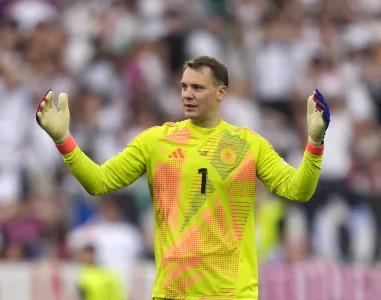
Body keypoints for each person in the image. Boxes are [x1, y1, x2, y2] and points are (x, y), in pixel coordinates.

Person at [36, 55, 330, 300]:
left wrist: (314, 143)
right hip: (173, 293)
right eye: (184, 86)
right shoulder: (155, 141)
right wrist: (64, 139)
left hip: (233, 294)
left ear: (221, 92)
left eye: (197, 88)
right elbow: (98, 182)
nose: (187, 94)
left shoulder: (249, 145)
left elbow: (298, 190)